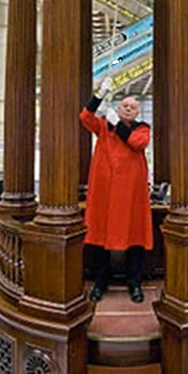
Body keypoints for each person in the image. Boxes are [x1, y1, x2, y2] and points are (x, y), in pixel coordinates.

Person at [79, 77, 153, 304]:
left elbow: (136, 143)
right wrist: (99, 95)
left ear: (137, 112)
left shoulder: (143, 129)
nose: (128, 109)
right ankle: (101, 283)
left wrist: (117, 123)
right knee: (100, 239)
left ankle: (134, 283)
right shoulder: (103, 126)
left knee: (135, 240)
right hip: (105, 194)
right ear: (119, 108)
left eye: (132, 107)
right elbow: (85, 117)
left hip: (131, 196)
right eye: (124, 106)